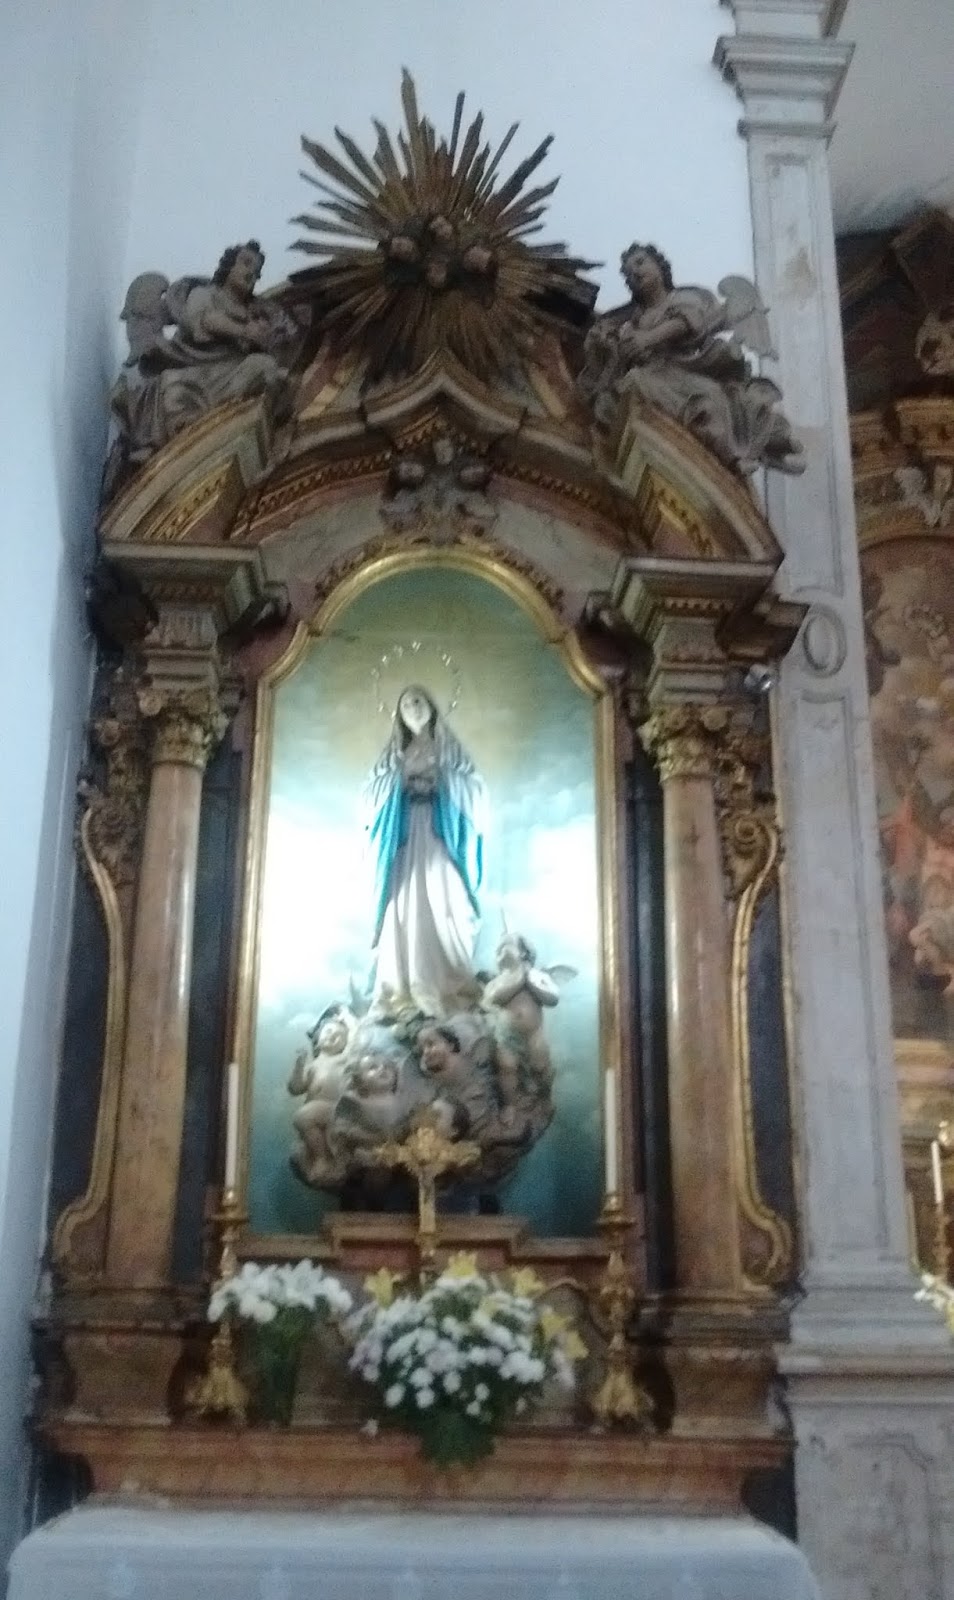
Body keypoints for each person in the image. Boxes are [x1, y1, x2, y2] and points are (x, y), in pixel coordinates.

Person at [578, 242, 804, 476]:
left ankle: (763, 449)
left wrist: (648, 339)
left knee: (712, 402)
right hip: (654, 375)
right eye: (627, 274)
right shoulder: (634, 318)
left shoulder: (682, 298)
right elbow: (627, 351)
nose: (634, 272)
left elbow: (687, 322)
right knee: (627, 388)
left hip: (682, 370)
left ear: (660, 267)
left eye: (640, 262)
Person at [366, 685, 485, 1014]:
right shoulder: (395, 754)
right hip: (405, 840)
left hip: (439, 836)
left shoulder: (449, 750)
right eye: (405, 704)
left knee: (448, 902)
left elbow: (476, 789)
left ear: (432, 707)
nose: (413, 708)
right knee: (403, 907)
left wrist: (443, 781)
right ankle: (401, 992)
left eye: (418, 701)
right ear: (399, 716)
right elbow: (371, 795)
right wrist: (399, 782)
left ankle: (451, 989)